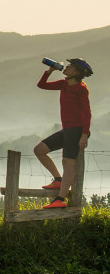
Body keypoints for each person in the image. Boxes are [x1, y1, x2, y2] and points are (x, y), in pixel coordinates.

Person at [33, 58, 93, 209]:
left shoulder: (81, 89)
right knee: (39, 150)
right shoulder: (64, 84)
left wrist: (84, 135)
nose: (67, 67)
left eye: (71, 66)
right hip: (67, 130)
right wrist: (49, 71)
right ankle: (58, 179)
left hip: (77, 130)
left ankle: (60, 198)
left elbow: (87, 114)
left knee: (68, 163)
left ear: (77, 72)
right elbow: (41, 85)